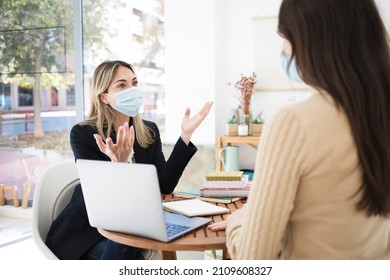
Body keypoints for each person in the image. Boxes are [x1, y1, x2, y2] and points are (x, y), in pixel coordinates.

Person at [209, 0, 390, 259]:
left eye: (284, 39)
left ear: (308, 42)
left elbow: (253, 257)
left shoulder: (293, 123)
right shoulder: (378, 116)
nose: (283, 51)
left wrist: (241, 220)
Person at [45, 60, 213, 259]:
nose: (132, 90)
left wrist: (185, 136)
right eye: (122, 85)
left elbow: (164, 186)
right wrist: (120, 166)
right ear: (104, 97)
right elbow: (101, 199)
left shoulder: (148, 131)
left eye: (134, 83)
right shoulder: (83, 134)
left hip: (133, 224)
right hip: (86, 232)